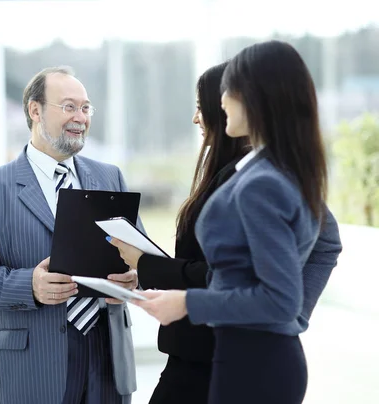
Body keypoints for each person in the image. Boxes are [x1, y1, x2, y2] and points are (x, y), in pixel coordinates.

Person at [110, 60, 343, 403]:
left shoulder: (257, 179)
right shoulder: (253, 170)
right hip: (212, 353)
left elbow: (249, 280)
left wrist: (162, 278)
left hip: (218, 353)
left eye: (201, 106)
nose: (198, 116)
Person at [0, 66, 139, 404]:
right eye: (69, 106)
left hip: (108, 356)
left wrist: (134, 277)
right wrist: (29, 286)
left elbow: (138, 253)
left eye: (85, 107)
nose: (80, 117)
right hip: (33, 364)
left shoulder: (110, 177)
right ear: (34, 110)